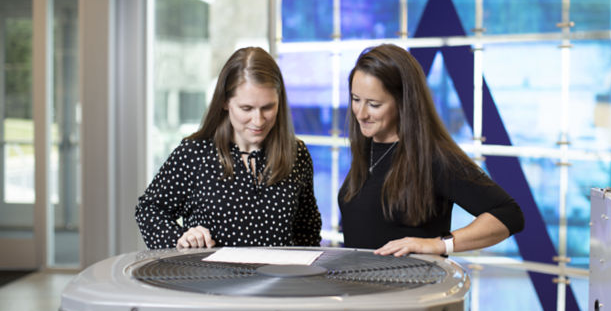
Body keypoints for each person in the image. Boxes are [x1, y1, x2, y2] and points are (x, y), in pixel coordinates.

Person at [339, 44, 524, 256]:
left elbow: (509, 214)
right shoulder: (368, 146)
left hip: (412, 278)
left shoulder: (434, 157)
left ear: (403, 102)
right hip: (359, 277)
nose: (360, 114)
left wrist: (439, 244)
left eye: (374, 104)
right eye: (356, 99)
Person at [135, 46, 322, 249]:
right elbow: (148, 210)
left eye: (268, 107)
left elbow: (308, 229)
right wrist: (180, 240)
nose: (258, 120)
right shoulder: (195, 154)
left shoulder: (296, 154)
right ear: (225, 102)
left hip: (280, 271)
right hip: (209, 270)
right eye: (246, 108)